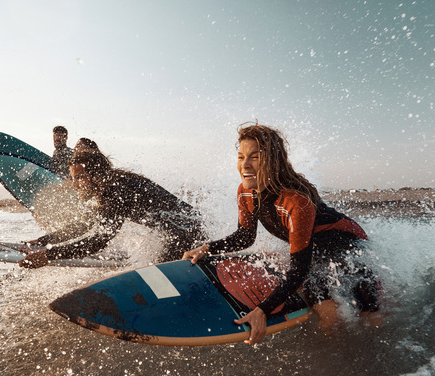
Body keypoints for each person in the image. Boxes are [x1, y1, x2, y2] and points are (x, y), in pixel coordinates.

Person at [183, 123, 382, 345]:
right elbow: (245, 236)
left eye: (255, 157)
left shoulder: (296, 200)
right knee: (329, 317)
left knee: (371, 316)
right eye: (241, 157)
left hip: (344, 242)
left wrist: (263, 310)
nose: (245, 165)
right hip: (312, 250)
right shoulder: (245, 192)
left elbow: (299, 268)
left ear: (272, 160)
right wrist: (207, 248)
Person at [21, 138, 208, 268]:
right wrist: (43, 242)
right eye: (73, 178)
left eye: (79, 177)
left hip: (187, 232)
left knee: (155, 278)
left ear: (97, 176)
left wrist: (48, 256)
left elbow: (98, 241)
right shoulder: (110, 187)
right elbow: (85, 225)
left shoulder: (117, 191)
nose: (74, 185)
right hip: (182, 231)